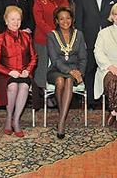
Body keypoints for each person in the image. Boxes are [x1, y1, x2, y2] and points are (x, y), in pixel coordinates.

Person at [0, 6, 37, 137]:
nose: (16, 22)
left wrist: (27, 70)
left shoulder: (26, 36)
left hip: (23, 72)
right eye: (12, 19)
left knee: (24, 86)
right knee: (13, 86)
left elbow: (34, 57)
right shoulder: (0, 38)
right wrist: (9, 72)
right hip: (4, 74)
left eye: (18, 19)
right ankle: (9, 118)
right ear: (6, 21)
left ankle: (16, 120)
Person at [75, 0, 117, 109]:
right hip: (89, 41)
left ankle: (110, 102)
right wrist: (82, 43)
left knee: (109, 71)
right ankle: (92, 102)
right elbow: (79, 23)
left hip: (110, 42)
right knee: (90, 71)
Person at [47, 7, 87, 138]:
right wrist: (70, 71)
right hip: (56, 70)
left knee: (68, 80)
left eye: (68, 18)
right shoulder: (51, 35)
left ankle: (61, 121)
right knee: (60, 80)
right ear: (57, 21)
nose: (65, 21)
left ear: (72, 19)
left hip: (75, 71)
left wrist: (79, 72)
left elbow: (83, 58)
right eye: (62, 18)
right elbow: (55, 60)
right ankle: (62, 118)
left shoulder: (79, 34)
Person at [33, 0, 69, 94]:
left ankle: (56, 94)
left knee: (57, 67)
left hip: (60, 41)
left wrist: (60, 35)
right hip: (42, 40)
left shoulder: (63, 1)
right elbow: (39, 21)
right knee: (42, 66)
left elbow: (67, 19)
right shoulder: (39, 1)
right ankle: (41, 93)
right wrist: (53, 33)